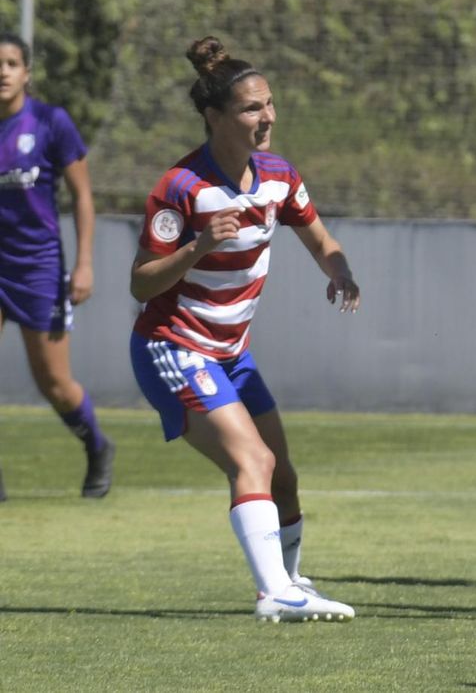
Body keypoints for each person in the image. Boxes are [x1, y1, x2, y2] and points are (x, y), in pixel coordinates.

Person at [128, 37, 359, 622]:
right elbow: (141, 285)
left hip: (231, 353)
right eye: (252, 109)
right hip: (174, 346)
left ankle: (292, 581)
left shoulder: (279, 176)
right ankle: (273, 594)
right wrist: (199, 246)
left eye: (270, 104)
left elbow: (321, 239)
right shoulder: (180, 187)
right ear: (215, 118)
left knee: (283, 477)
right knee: (251, 461)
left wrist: (340, 271)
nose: (268, 117)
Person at [0, 31, 113, 500]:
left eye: (10, 63)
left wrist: (83, 264)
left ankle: (97, 446)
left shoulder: (50, 122)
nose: (1, 72)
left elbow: (83, 196)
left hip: (38, 268)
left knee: (54, 383)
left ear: (27, 72)